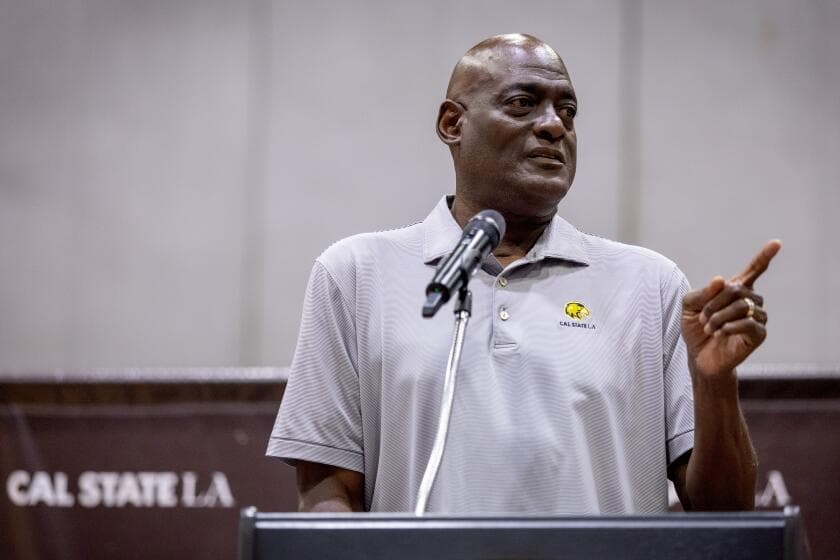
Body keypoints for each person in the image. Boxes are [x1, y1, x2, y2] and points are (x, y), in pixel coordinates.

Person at [267, 33, 780, 513]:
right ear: (452, 124)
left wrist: (715, 381)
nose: (554, 124)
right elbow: (328, 490)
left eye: (568, 110)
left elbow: (725, 513)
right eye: (522, 103)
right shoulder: (356, 275)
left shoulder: (651, 284)